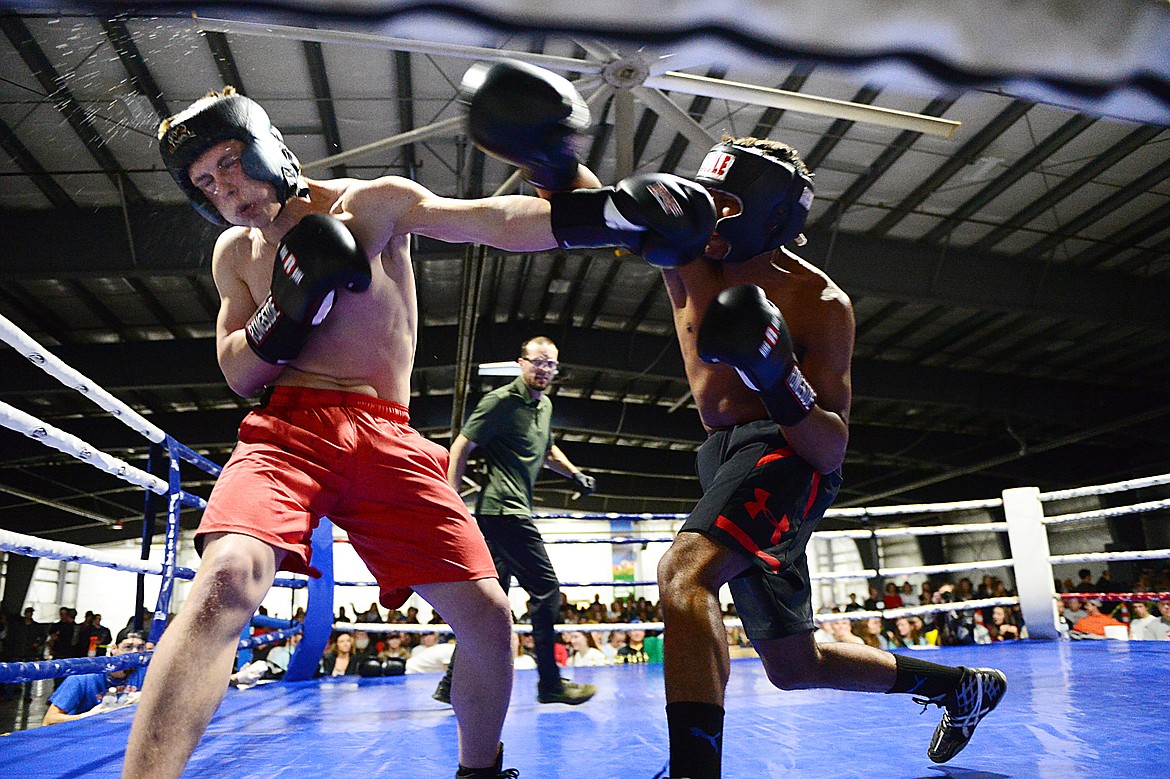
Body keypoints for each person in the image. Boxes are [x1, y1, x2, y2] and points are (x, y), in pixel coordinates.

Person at [126, 82, 714, 779]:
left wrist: (609, 211)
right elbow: (237, 370)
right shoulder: (237, 253)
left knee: (489, 615)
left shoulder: (371, 202)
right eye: (205, 181)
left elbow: (494, 219)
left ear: (266, 148)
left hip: (388, 433)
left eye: (229, 161)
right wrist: (285, 309)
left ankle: (479, 771)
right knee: (224, 577)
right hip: (287, 431)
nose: (226, 187)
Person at [467, 61, 1008, 777]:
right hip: (723, 454)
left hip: (788, 450)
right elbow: (594, 212)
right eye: (709, 198)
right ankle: (959, 687)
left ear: (776, 218)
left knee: (682, 574)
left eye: (729, 204)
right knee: (792, 660)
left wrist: (775, 374)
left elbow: (830, 444)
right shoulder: (687, 248)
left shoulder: (821, 302)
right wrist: (552, 160)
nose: (711, 214)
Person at [433, 335, 599, 707]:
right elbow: (461, 445)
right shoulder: (501, 401)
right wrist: (451, 498)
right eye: (537, 362)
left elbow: (547, 448)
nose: (543, 370)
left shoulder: (544, 406)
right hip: (504, 511)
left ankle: (449, 684)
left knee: (491, 604)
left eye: (550, 364)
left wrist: (574, 474)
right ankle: (550, 683)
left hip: (505, 514)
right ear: (521, 362)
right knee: (547, 590)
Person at [43, 632, 148, 726]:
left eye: (140, 647)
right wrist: (86, 717)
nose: (135, 653)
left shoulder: (145, 673)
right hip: (82, 735)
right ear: (114, 649)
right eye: (128, 647)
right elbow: (49, 720)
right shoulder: (83, 678)